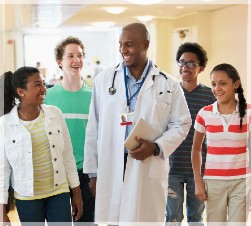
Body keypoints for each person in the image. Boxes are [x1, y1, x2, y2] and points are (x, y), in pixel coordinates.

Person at [83, 22, 192, 225]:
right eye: (121, 44)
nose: (123, 50)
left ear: (145, 44)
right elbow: (94, 128)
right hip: (112, 164)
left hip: (146, 162)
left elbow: (182, 124)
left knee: (144, 219)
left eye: (130, 44)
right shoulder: (104, 80)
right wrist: (93, 173)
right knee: (113, 219)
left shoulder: (168, 84)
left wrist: (156, 147)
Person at [0, 67, 83, 225]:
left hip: (59, 193)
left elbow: (67, 157)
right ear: (21, 91)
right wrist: (1, 213)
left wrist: (76, 193)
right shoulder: (5, 125)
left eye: (43, 83)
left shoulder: (55, 114)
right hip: (27, 198)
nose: (44, 89)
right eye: (37, 85)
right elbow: (2, 171)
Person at [192, 63, 251, 225]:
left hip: (242, 182)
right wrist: (198, 181)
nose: (217, 88)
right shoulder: (204, 114)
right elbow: (196, 149)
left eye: (223, 83)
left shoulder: (249, 113)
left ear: (236, 84)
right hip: (213, 182)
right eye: (213, 84)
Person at [44, 36, 94, 224]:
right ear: (60, 61)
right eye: (70, 56)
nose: (77, 60)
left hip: (88, 172)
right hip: (58, 173)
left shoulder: (94, 97)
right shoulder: (48, 97)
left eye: (80, 55)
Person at [166, 43, 216, 225]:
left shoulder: (210, 96)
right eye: (182, 62)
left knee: (196, 218)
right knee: (173, 218)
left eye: (191, 64)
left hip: (199, 171)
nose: (185, 67)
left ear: (201, 68)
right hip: (172, 168)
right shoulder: (170, 94)